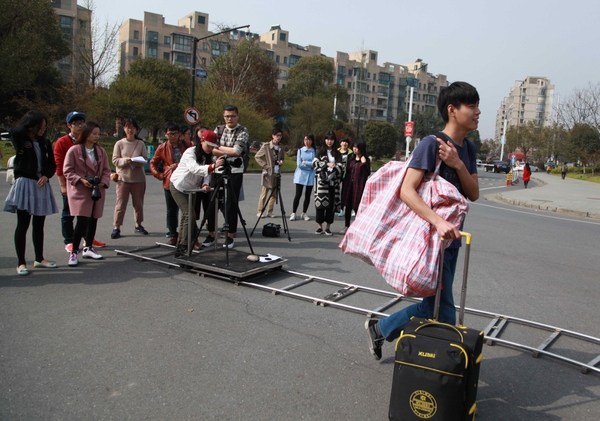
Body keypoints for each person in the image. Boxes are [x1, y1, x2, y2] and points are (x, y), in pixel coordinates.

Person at [365, 81, 480, 360]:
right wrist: (438, 222)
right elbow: (407, 190)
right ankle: (447, 366)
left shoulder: (468, 149)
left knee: (434, 305)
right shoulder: (431, 144)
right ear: (452, 110)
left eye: (478, 106)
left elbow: (474, 193)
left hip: (451, 242)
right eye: (472, 106)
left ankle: (381, 329)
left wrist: (458, 164)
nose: (478, 112)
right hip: (428, 241)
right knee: (443, 308)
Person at [3, 110, 59, 275]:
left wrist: (47, 176)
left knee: (39, 224)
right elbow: (15, 131)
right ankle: (21, 262)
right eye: (40, 126)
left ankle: (39, 258)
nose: (43, 129)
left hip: (41, 184)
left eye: (45, 126)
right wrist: (29, 121)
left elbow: (52, 164)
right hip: (25, 183)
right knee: (23, 224)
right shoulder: (21, 139)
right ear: (31, 126)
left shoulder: (44, 143)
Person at [54, 111, 105, 252]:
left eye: (82, 123)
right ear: (69, 125)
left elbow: (104, 168)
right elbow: (60, 166)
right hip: (74, 184)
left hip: (91, 186)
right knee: (69, 213)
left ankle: (87, 238)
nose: (80, 126)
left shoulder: (95, 147)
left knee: (89, 214)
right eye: (76, 123)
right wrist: (62, 185)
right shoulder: (63, 142)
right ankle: (69, 240)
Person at [63, 122, 111, 266]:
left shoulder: (100, 151)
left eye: (98, 134)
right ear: (86, 133)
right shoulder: (74, 150)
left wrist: (103, 182)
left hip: (96, 189)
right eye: (94, 133)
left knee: (93, 219)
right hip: (81, 190)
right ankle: (74, 252)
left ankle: (88, 247)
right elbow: (67, 170)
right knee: (82, 220)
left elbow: (106, 170)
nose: (97, 136)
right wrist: (80, 180)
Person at [169, 130, 224, 254]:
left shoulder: (207, 156)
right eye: (208, 145)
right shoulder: (190, 152)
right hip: (178, 185)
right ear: (201, 141)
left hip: (192, 188)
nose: (210, 149)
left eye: (213, 147)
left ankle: (181, 244)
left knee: (187, 216)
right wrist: (213, 166)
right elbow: (194, 168)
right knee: (190, 215)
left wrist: (205, 184)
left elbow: (207, 173)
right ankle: (183, 245)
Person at [211, 105, 249, 249]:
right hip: (218, 168)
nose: (229, 119)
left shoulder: (243, 130)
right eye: (227, 116)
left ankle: (230, 235)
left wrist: (219, 148)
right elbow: (210, 149)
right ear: (223, 116)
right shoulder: (218, 129)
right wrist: (229, 151)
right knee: (213, 201)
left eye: (232, 116)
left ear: (237, 116)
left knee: (231, 204)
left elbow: (237, 151)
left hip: (235, 171)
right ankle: (211, 233)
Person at [150, 122, 192, 245]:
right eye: (170, 134)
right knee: (171, 210)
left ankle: (190, 236)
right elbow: (153, 162)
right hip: (170, 180)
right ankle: (173, 234)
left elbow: (192, 160)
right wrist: (158, 174)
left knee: (188, 210)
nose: (173, 136)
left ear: (179, 134)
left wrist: (177, 165)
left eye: (175, 133)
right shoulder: (162, 147)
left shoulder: (187, 145)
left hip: (186, 180)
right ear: (165, 134)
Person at [111, 119, 149, 239]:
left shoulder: (140, 143)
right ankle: (117, 227)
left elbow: (145, 159)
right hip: (123, 178)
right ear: (124, 129)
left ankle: (138, 224)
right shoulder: (119, 143)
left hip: (138, 179)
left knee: (138, 204)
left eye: (132, 127)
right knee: (120, 204)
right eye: (128, 127)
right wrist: (125, 161)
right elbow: (115, 160)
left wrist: (135, 161)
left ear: (136, 129)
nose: (130, 130)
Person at [313, 131, 343, 235]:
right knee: (320, 204)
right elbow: (314, 164)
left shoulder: (337, 153)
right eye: (327, 139)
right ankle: (319, 226)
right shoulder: (320, 152)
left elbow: (341, 166)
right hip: (321, 183)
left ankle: (328, 227)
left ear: (334, 141)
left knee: (331, 205)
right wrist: (327, 164)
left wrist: (335, 167)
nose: (329, 141)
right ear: (325, 140)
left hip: (333, 182)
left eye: (331, 139)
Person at [339, 138, 371, 235]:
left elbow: (367, 173)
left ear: (361, 148)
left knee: (357, 207)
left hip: (359, 186)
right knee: (348, 207)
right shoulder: (350, 158)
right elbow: (347, 170)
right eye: (354, 147)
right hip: (349, 185)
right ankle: (346, 226)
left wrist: (364, 163)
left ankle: (358, 227)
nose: (354, 149)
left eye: (357, 147)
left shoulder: (365, 159)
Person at [255, 128, 285, 218]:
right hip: (268, 173)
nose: (279, 137)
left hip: (277, 173)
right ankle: (260, 211)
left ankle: (270, 211)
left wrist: (281, 161)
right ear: (273, 136)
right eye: (277, 135)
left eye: (280, 135)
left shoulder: (281, 147)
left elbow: (282, 158)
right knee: (264, 193)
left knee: (274, 194)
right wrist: (265, 166)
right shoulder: (266, 146)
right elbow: (257, 156)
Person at [290, 134, 316, 221]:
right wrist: (309, 165)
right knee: (298, 194)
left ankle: (304, 213)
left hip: (311, 175)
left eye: (308, 139)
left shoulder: (315, 151)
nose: (307, 141)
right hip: (300, 175)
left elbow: (315, 164)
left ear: (312, 141)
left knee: (307, 195)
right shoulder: (300, 151)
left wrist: (306, 163)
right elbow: (299, 164)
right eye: (305, 139)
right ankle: (293, 213)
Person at [337, 137, 352, 217]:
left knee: (344, 192)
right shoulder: (336, 152)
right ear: (340, 143)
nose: (344, 143)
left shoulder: (351, 153)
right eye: (343, 142)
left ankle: (341, 209)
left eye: (346, 142)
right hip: (337, 174)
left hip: (347, 174)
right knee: (335, 191)